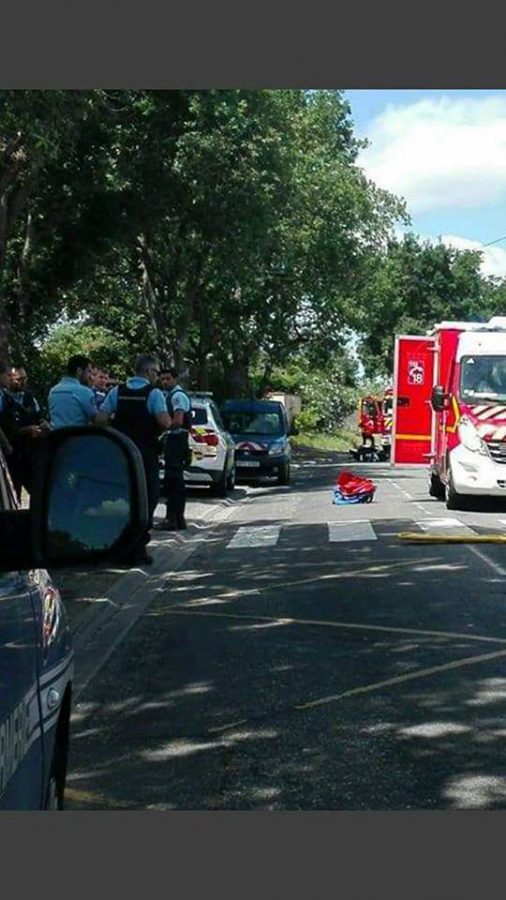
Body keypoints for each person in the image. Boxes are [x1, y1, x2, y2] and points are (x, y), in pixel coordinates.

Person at [96, 355, 170, 564]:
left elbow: (100, 419)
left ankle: (121, 546)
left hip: (121, 454)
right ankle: (139, 547)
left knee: (123, 500)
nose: (157, 377)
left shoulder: (117, 392)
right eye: (156, 372)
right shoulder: (153, 394)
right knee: (148, 498)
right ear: (148, 373)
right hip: (145, 455)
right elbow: (164, 423)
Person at [156, 367, 192, 531]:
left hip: (177, 440)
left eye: (168, 378)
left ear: (175, 379)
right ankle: (176, 518)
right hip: (177, 440)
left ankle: (173, 519)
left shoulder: (177, 396)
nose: (164, 382)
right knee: (174, 481)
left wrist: (163, 430)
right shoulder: (170, 395)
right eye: (162, 379)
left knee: (174, 481)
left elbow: (178, 420)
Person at [7, 366, 49, 501]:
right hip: (11, 455)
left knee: (39, 494)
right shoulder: (3, 400)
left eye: (25, 379)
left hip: (30, 454)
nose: (23, 382)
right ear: (9, 379)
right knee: (13, 497)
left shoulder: (30, 398)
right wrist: (27, 430)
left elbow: (38, 416)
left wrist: (43, 424)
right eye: (19, 379)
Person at [48, 355, 98, 429]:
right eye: (89, 371)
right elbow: (96, 419)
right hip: (77, 437)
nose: (90, 376)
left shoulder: (53, 391)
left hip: (56, 437)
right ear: (79, 371)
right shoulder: (85, 392)